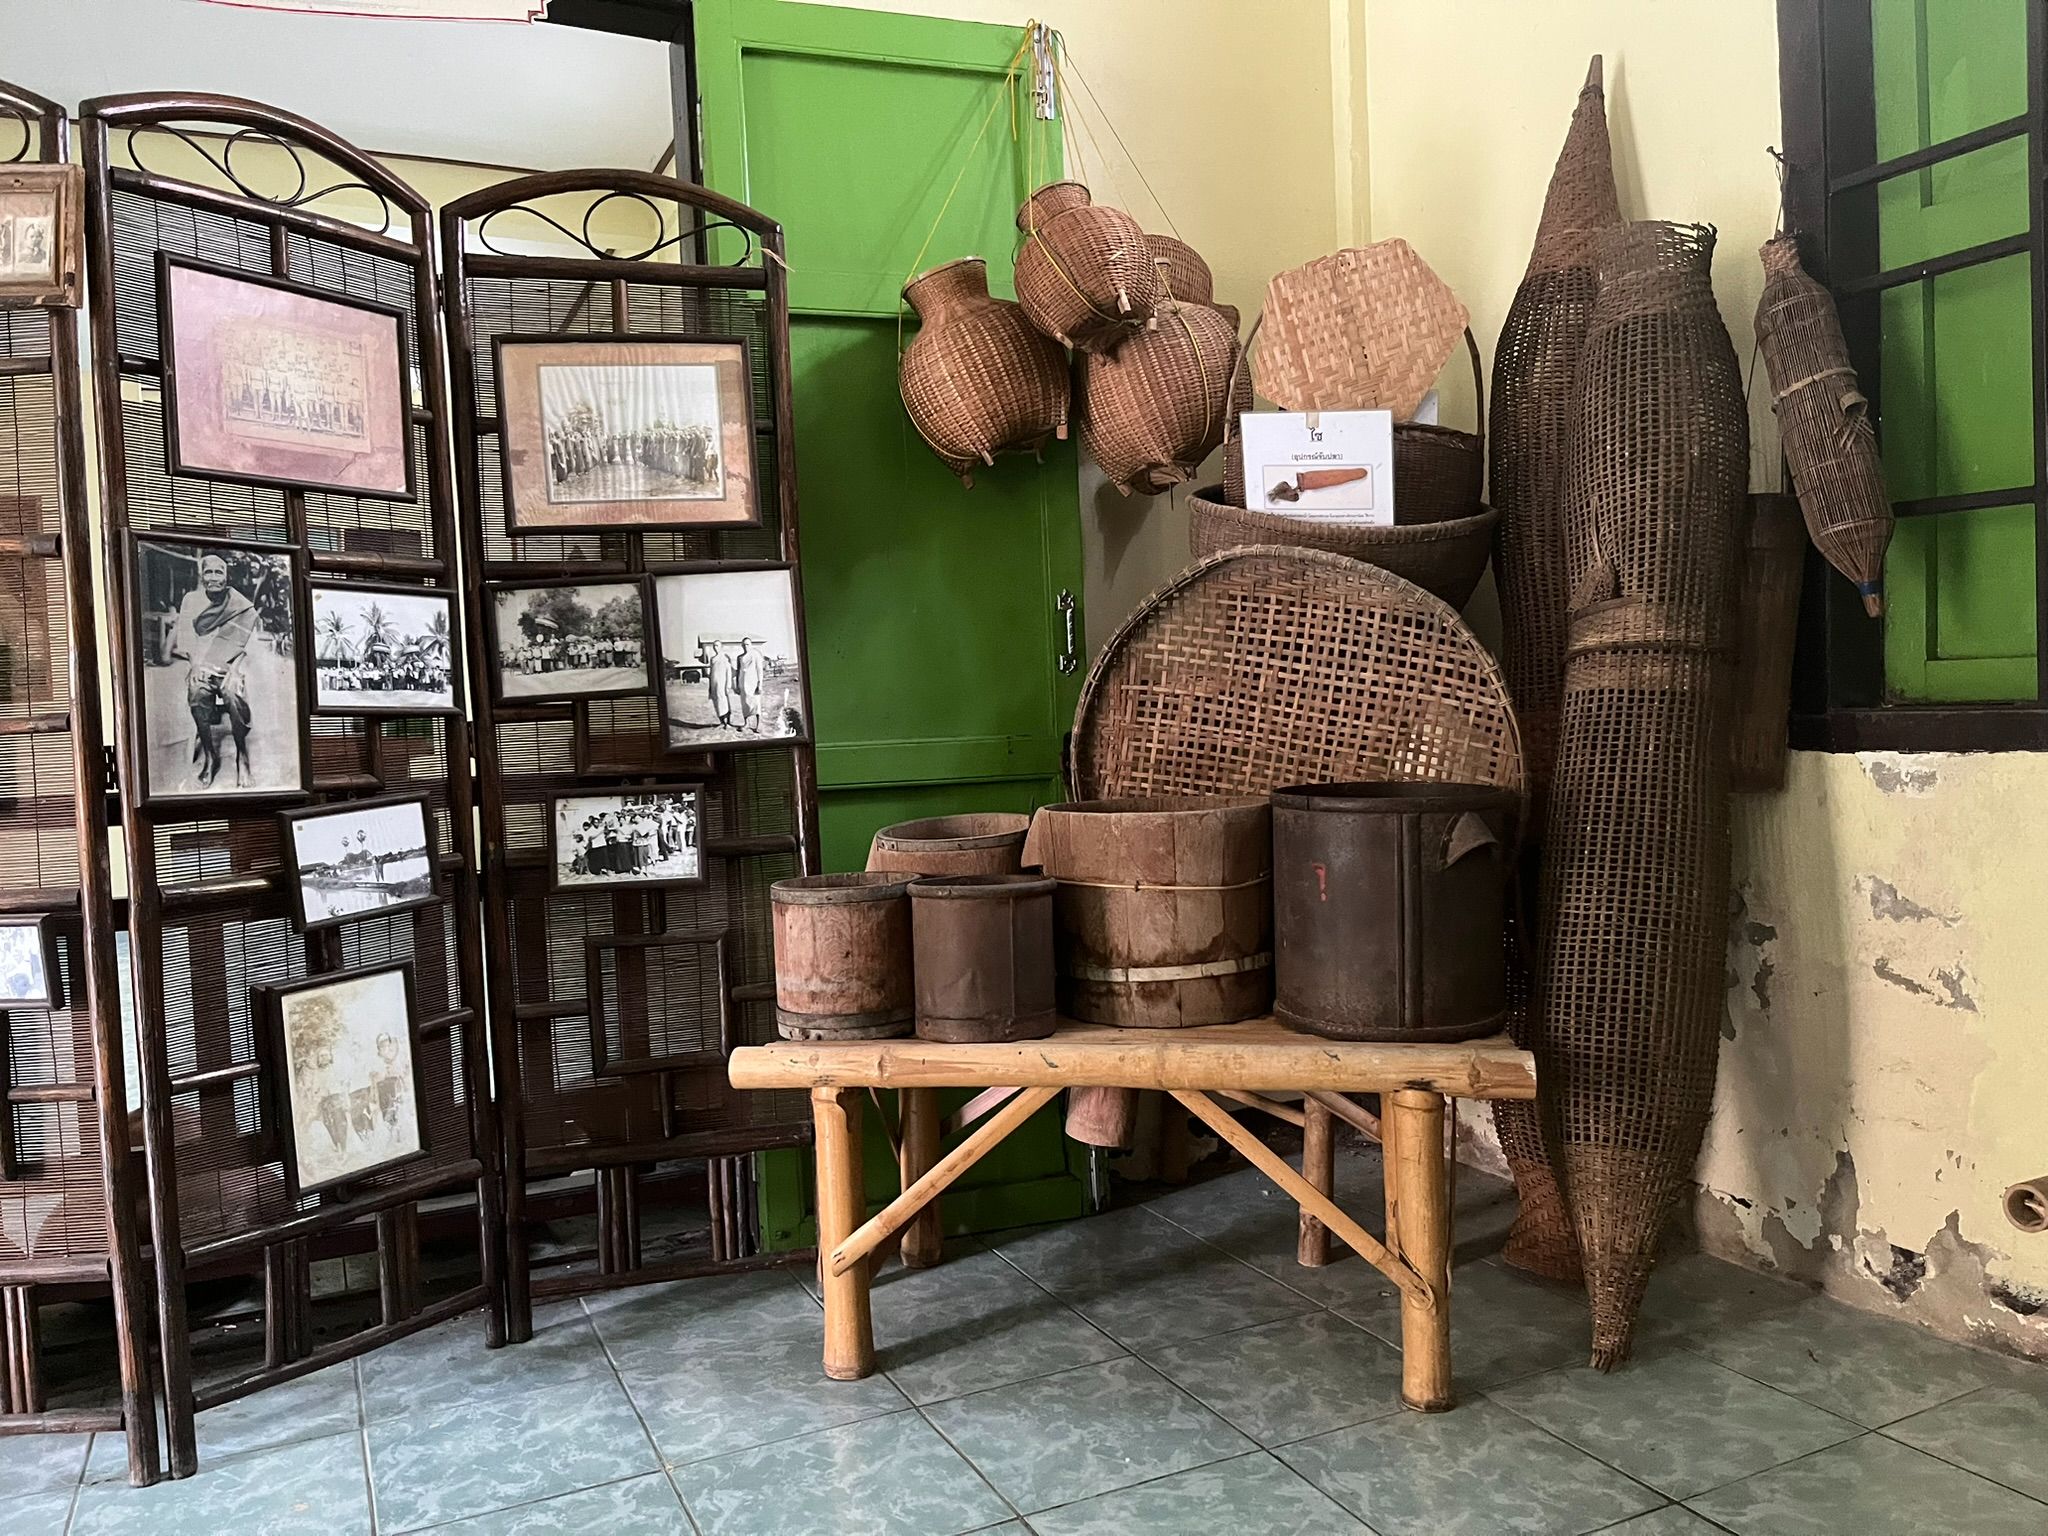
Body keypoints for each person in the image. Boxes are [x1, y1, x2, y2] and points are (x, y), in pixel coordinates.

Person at [168, 552, 259, 788]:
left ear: (227, 577)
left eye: (219, 572)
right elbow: (186, 639)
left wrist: (234, 671)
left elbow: (243, 645)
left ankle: (242, 754)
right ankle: (210, 755)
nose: (214, 577)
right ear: (201, 576)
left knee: (233, 693)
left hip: (231, 665)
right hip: (201, 665)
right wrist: (196, 665)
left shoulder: (238, 603)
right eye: (208, 572)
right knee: (196, 693)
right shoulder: (191, 600)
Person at [700, 639, 735, 729]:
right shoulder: (712, 659)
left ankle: (727, 722)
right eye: (714, 646)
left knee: (724, 702)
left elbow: (729, 672)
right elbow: (711, 672)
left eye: (717, 645)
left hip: (723, 684)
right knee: (716, 702)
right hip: (714, 683)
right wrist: (710, 686)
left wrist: (728, 685)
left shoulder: (725, 658)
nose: (716, 647)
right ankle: (721, 722)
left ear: (721, 647)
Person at [736, 635, 767, 733]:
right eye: (744, 645)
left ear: (751, 645)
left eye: (747, 644)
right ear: (742, 646)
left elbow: (759, 670)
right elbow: (738, 671)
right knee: (745, 703)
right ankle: (746, 723)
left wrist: (760, 684)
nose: (746, 646)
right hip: (743, 683)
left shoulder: (756, 654)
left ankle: (758, 724)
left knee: (756, 704)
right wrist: (737, 685)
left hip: (753, 683)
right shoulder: (740, 657)